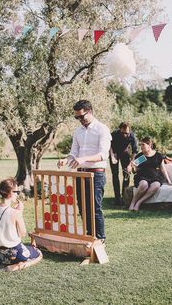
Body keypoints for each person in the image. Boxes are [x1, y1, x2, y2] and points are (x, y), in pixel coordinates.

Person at [58, 100, 112, 242]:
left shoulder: (102, 129)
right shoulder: (78, 131)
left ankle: (100, 239)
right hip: (80, 173)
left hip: (96, 173)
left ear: (90, 112)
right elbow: (73, 153)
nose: (80, 120)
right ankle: (89, 236)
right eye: (77, 117)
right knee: (82, 207)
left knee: (94, 208)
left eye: (81, 116)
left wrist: (83, 159)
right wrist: (66, 160)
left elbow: (103, 155)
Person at [0, 178, 42, 271]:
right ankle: (17, 266)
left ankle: (4, 263)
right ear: (11, 193)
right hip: (14, 253)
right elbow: (22, 234)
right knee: (38, 254)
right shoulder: (15, 213)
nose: (17, 194)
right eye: (16, 191)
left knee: (30, 248)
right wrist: (19, 213)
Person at [128, 137, 171, 211]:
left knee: (156, 185)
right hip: (142, 177)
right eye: (140, 145)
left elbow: (163, 169)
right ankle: (132, 203)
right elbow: (135, 172)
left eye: (143, 144)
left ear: (149, 145)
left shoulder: (158, 155)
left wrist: (169, 180)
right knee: (144, 184)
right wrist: (133, 167)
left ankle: (139, 203)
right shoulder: (141, 156)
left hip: (155, 177)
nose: (141, 147)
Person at [109, 122, 138, 206]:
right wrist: (112, 156)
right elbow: (109, 145)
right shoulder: (114, 134)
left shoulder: (132, 136)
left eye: (127, 133)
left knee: (126, 174)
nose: (125, 135)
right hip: (114, 152)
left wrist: (130, 164)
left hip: (124, 153)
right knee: (115, 174)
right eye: (123, 133)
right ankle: (117, 198)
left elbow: (134, 151)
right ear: (119, 129)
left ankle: (124, 196)